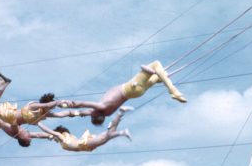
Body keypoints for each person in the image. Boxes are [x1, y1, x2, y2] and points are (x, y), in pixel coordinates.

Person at [50, 61, 186, 125]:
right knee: (154, 65)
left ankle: (163, 77)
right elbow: (79, 104)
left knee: (157, 75)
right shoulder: (101, 107)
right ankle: (172, 90)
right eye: (92, 115)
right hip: (130, 88)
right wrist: (62, 104)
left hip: (137, 93)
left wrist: (52, 113)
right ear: (96, 115)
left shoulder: (105, 113)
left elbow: (75, 113)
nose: (91, 113)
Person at [36, 107, 132, 152]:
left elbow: (48, 132)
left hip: (84, 144)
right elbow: (45, 135)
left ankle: (122, 132)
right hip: (86, 146)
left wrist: (38, 123)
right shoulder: (66, 137)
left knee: (106, 137)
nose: (54, 139)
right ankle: (120, 113)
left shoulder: (61, 137)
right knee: (108, 134)